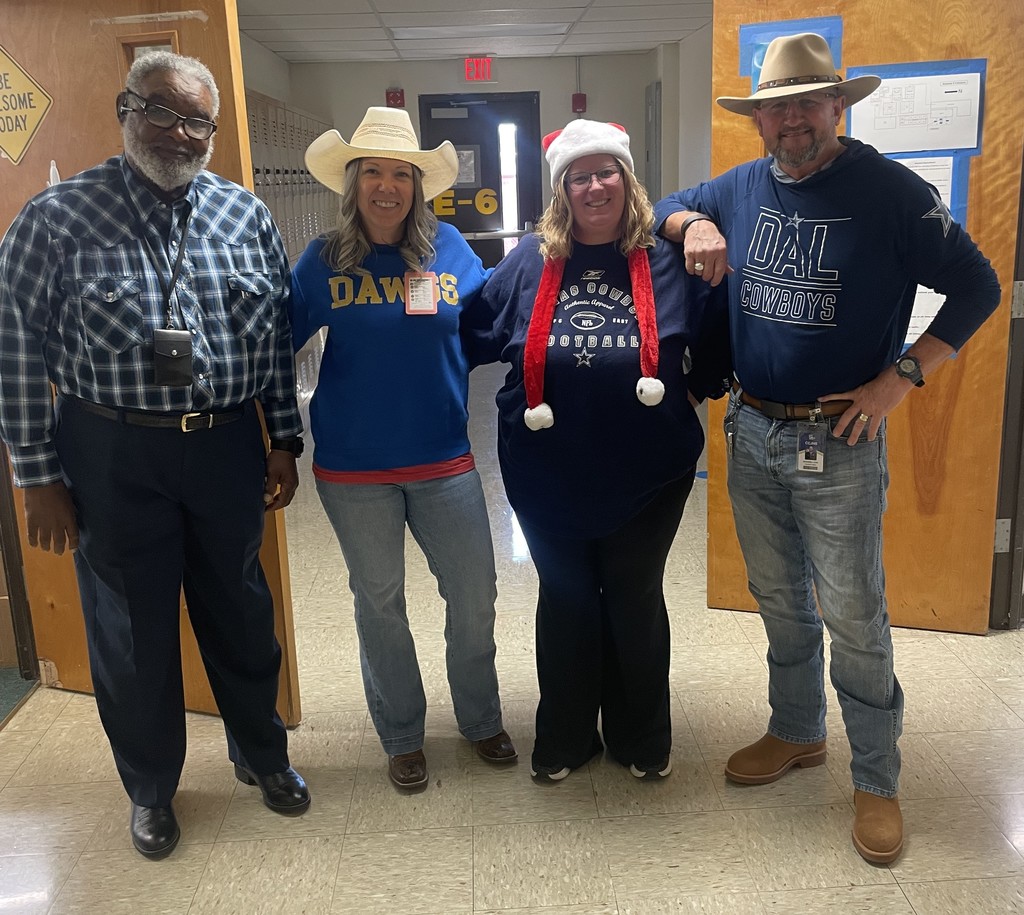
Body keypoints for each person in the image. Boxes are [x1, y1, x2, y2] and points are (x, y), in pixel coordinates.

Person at [655, 32, 1000, 864]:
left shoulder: (890, 192)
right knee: (779, 598)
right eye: (775, 109)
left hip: (840, 439)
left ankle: (877, 778)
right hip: (753, 428)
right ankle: (798, 729)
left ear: (838, 108)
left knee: (854, 613)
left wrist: (900, 379)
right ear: (760, 121)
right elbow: (664, 204)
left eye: (807, 104)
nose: (791, 122)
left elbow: (978, 286)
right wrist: (693, 220)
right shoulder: (739, 186)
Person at [0, 52, 311, 860]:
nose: (180, 133)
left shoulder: (245, 215)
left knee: (239, 609)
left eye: (196, 121)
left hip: (223, 444)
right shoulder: (57, 217)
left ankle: (262, 752)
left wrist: (283, 437)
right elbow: (16, 349)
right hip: (110, 449)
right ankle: (151, 788)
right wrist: (35, 473)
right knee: (130, 631)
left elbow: (274, 340)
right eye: (162, 112)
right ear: (125, 108)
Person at [461, 120, 730, 783]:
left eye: (606, 171)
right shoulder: (530, 260)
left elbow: (718, 341)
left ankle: (642, 738)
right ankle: (566, 736)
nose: (594, 186)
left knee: (634, 596)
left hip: (649, 473)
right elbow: (469, 332)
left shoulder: (669, 260)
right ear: (561, 190)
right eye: (578, 176)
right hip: (545, 474)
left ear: (627, 180)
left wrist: (687, 394)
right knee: (569, 597)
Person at [290, 107, 515, 790]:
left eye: (401, 174)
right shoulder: (323, 259)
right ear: (354, 182)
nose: (387, 186)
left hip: (444, 459)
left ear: (418, 185)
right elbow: (276, 347)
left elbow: (491, 322)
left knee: (474, 594)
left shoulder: (449, 249)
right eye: (373, 173)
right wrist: (271, 436)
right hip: (353, 470)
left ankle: (479, 718)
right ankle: (401, 732)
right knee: (379, 602)